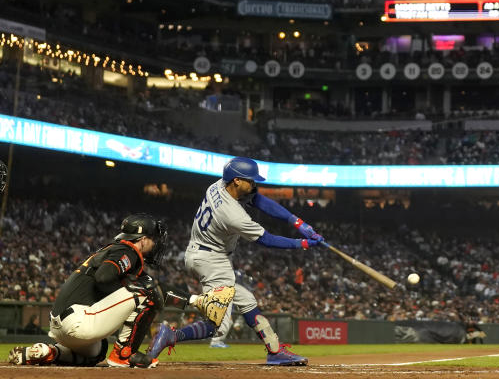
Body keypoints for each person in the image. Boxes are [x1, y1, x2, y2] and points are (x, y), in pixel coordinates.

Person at [147, 156, 323, 366]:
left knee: (246, 302)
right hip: (213, 261)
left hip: (199, 253)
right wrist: (303, 244)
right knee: (215, 325)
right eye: (251, 180)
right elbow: (266, 240)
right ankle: (170, 335)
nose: (254, 184)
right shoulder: (233, 214)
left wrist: (296, 221)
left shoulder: (219, 185)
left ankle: (274, 350)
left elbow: (259, 200)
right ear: (237, 181)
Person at [7, 213, 168, 368]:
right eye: (153, 239)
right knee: (147, 292)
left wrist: (191, 299)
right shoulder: (128, 250)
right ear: (143, 239)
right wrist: (124, 290)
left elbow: (106, 277)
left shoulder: (113, 250)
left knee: (97, 351)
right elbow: (103, 277)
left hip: (59, 326)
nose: (155, 244)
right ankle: (124, 355)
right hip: (78, 321)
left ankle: (48, 351)